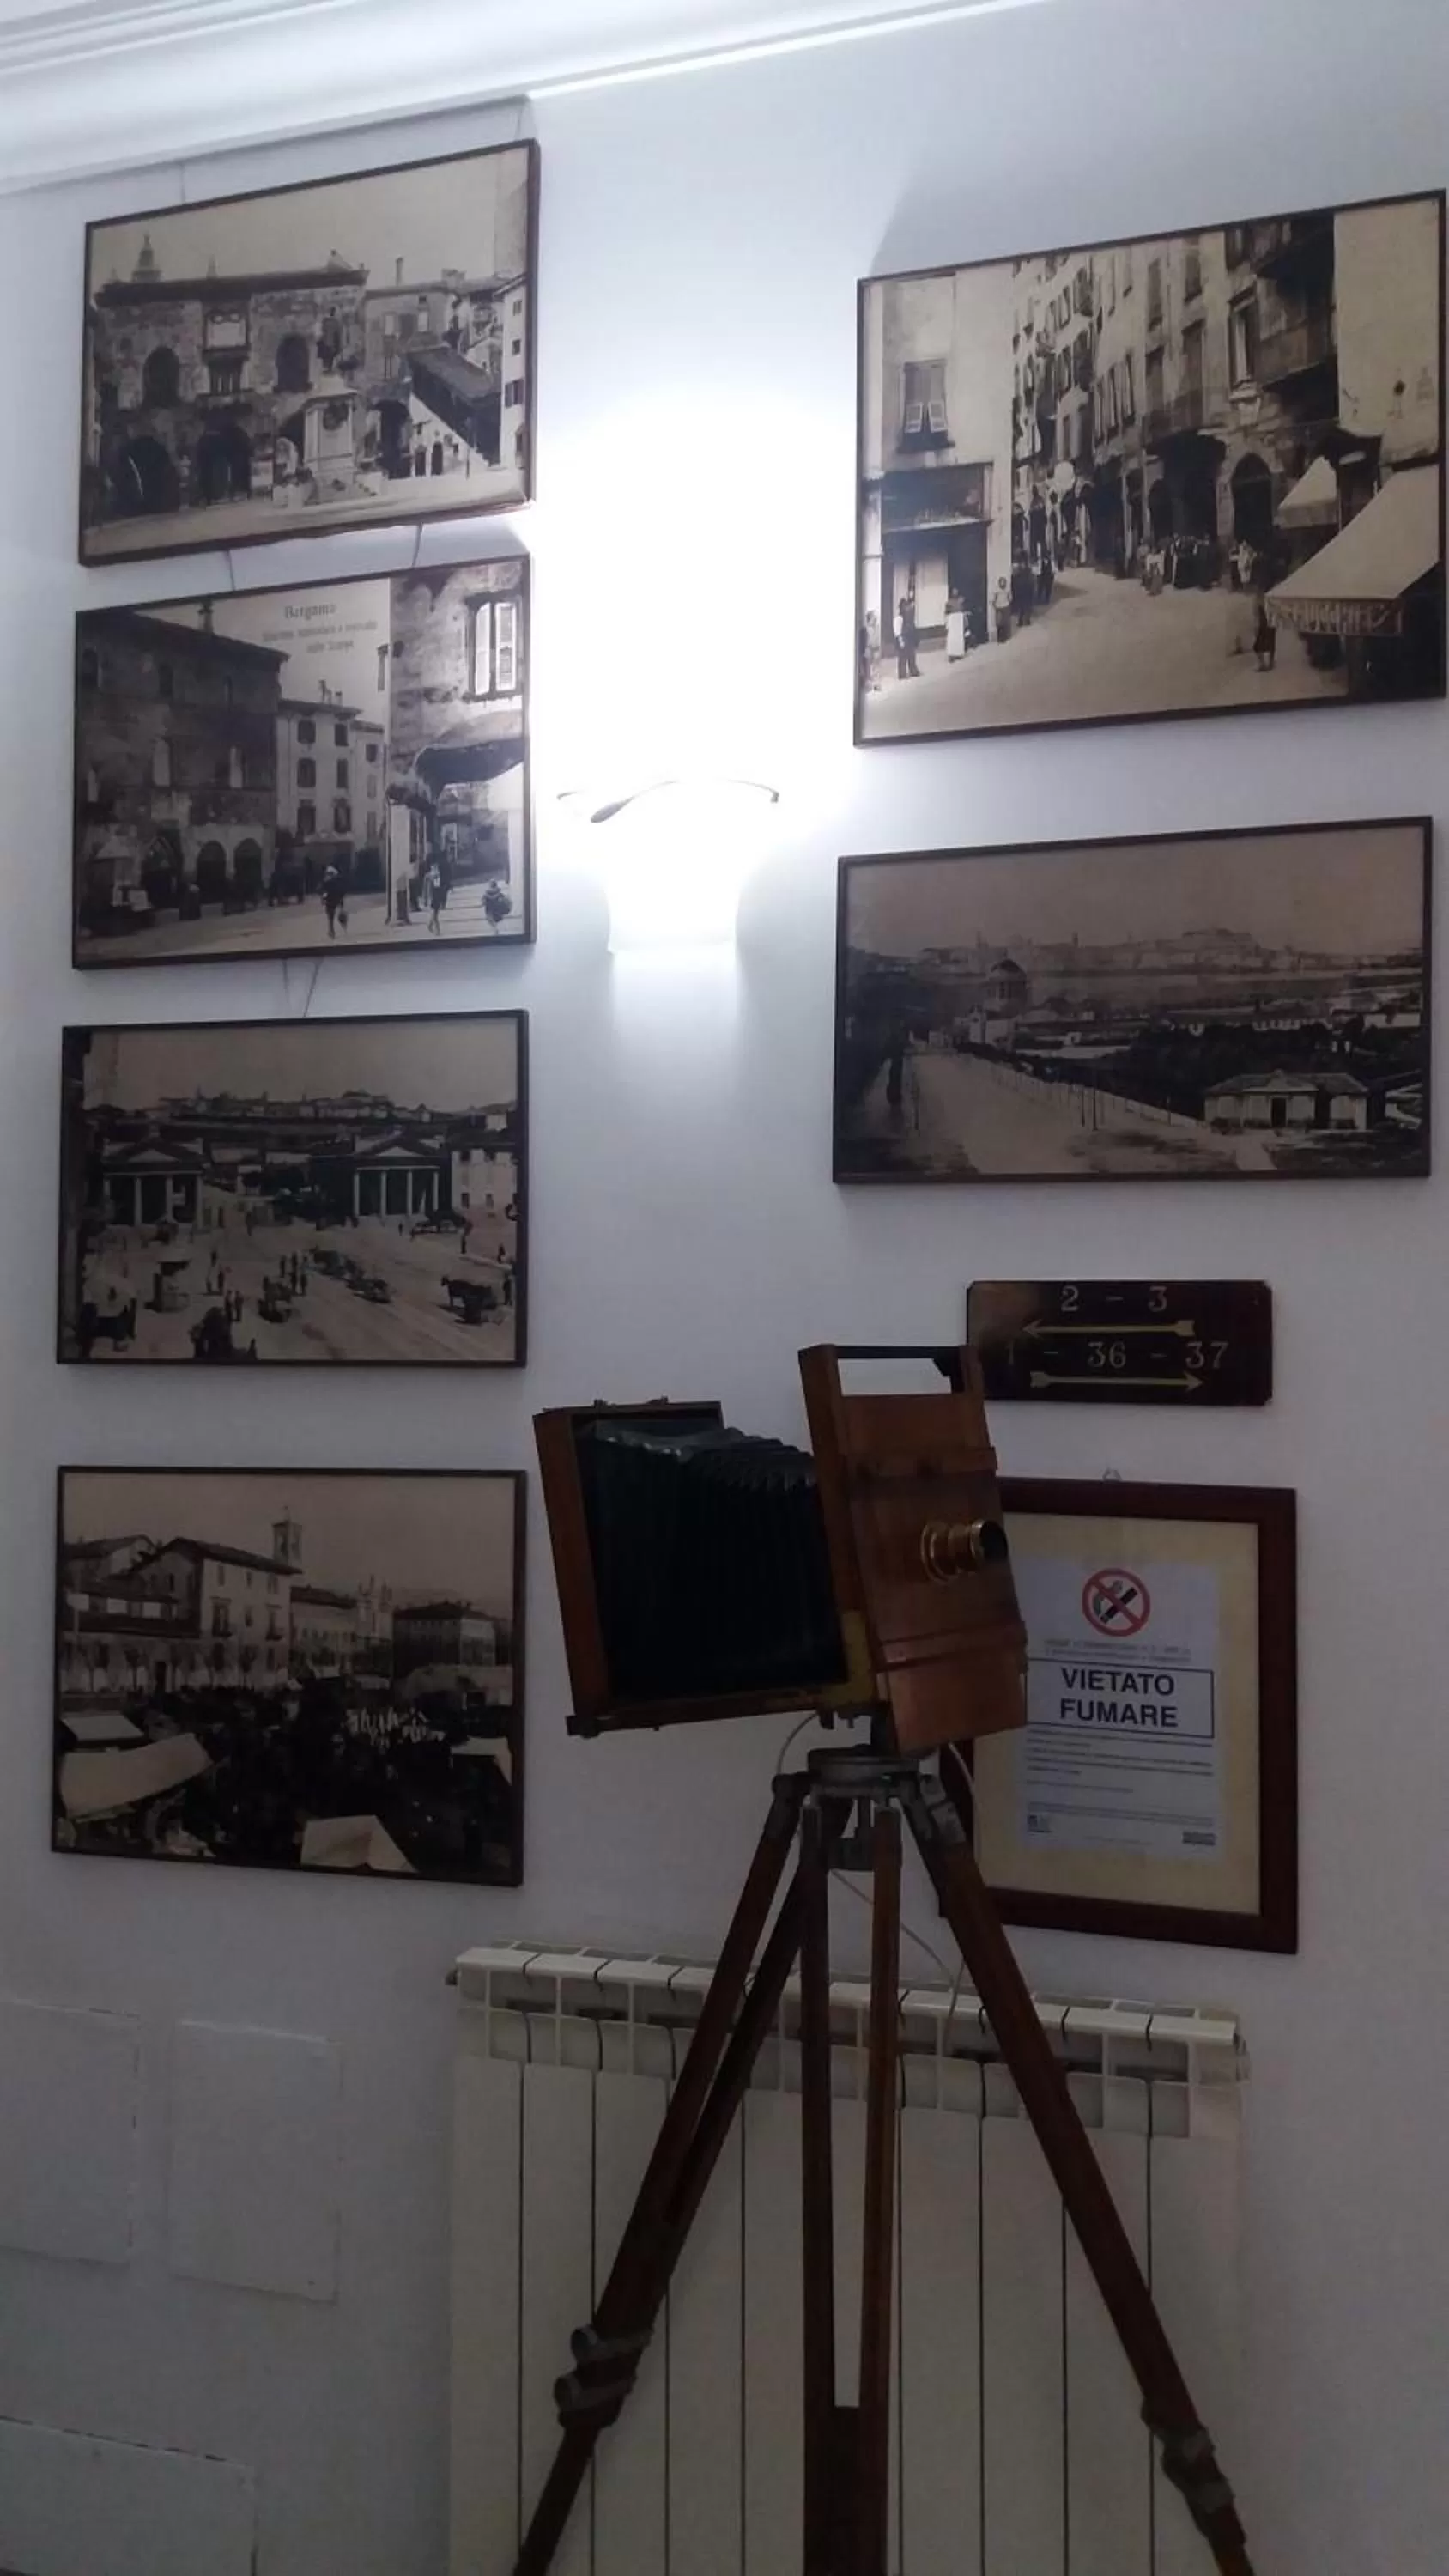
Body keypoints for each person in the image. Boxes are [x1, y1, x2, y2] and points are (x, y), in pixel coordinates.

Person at [320, 863, 347, 939]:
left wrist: (323, 899)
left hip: (331, 900)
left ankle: (332, 930)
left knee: (331, 916)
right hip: (335, 899)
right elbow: (342, 890)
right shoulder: (338, 880)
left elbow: (322, 891)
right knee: (333, 915)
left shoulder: (326, 881)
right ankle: (333, 929)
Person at [944, 589, 967, 661]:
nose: (955, 593)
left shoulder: (960, 601)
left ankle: (959, 654)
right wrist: (947, 623)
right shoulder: (949, 602)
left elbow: (962, 611)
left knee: (959, 638)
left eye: (956, 592)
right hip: (952, 622)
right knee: (952, 638)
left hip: (958, 622)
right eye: (954, 592)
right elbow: (947, 613)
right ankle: (951, 655)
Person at [993, 575, 1012, 646]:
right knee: (999, 623)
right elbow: (994, 599)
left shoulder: (1008, 589)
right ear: (999, 583)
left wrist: (1008, 603)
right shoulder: (996, 590)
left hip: (1006, 606)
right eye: (1001, 582)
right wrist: (995, 606)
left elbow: (1010, 598)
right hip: (998, 607)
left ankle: (1004, 638)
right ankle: (999, 638)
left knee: (1005, 622)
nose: (1003, 584)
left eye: (1004, 582)